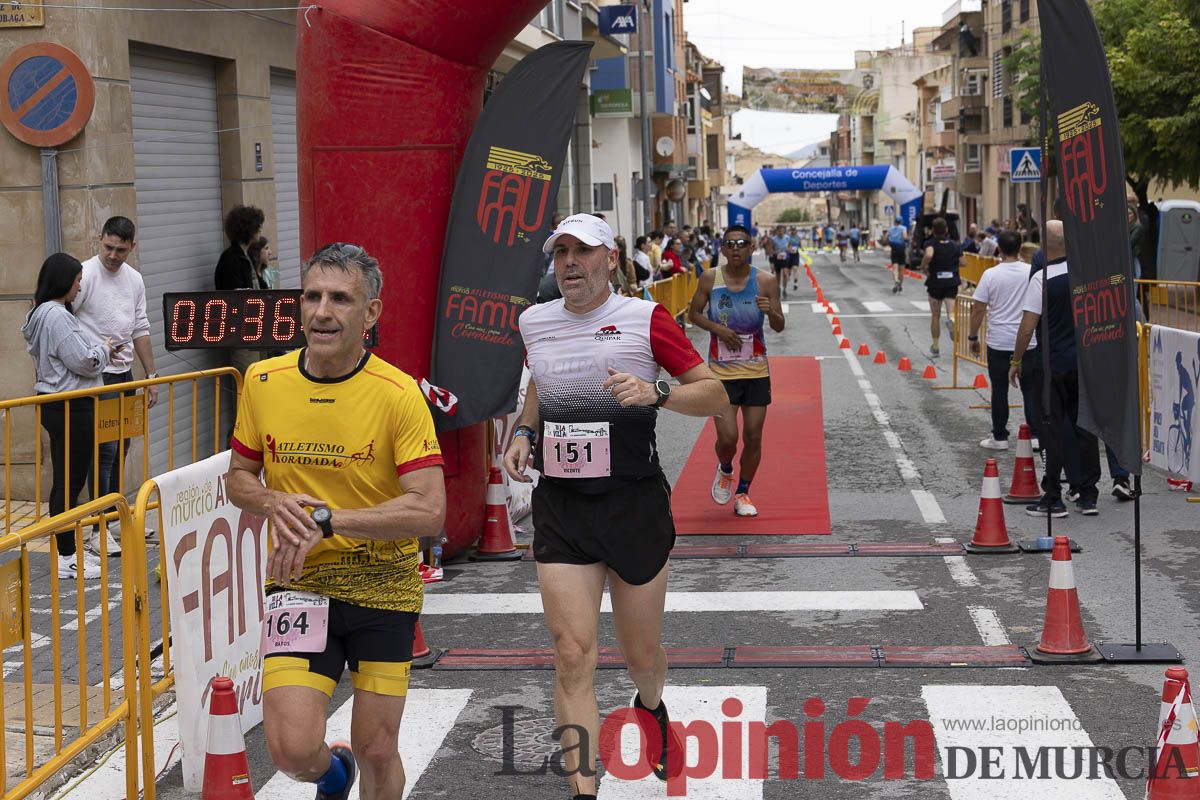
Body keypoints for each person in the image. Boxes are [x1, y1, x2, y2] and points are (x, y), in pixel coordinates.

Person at [503, 214, 725, 799]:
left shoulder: (643, 317)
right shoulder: (535, 322)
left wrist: (658, 391)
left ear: (611, 258)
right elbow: (538, 388)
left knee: (641, 654)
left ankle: (650, 707)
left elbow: (715, 393)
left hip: (632, 506)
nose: (570, 263)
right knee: (572, 654)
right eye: (561, 253)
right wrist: (525, 433)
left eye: (583, 251)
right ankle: (584, 790)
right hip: (563, 508)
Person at [226, 242, 446, 800]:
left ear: (370, 313)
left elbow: (429, 508)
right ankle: (332, 774)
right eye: (312, 296)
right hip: (298, 582)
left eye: (341, 299)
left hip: (383, 586)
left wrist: (329, 520)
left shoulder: (398, 395)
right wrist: (273, 503)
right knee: (292, 751)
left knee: (377, 748)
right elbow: (238, 478)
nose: (322, 311)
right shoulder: (263, 382)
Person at [22, 254, 124, 580]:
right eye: (78, 280)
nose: (80, 287)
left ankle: (68, 553)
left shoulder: (42, 313)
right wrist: (105, 350)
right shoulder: (56, 315)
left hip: (57, 404)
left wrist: (99, 350)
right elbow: (83, 361)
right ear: (65, 280)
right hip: (70, 405)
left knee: (66, 482)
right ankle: (66, 557)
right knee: (70, 483)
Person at [73, 215, 160, 556]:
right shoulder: (85, 275)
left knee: (122, 447)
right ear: (100, 240)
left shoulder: (134, 279)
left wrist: (150, 377)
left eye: (120, 250)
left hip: (124, 375)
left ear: (131, 248)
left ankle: (111, 519)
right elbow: (67, 319)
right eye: (108, 247)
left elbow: (140, 326)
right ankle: (98, 526)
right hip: (97, 375)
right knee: (104, 450)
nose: (113, 255)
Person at [687, 224, 785, 517]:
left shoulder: (766, 281)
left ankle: (743, 492)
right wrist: (717, 329)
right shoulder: (709, 278)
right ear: (723, 248)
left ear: (752, 247)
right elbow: (693, 314)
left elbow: (779, 326)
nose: (736, 249)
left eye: (742, 243)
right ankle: (726, 468)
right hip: (721, 373)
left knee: (753, 437)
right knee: (728, 438)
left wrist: (771, 312)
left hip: (756, 371)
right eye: (730, 244)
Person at [1009, 220, 1101, 517]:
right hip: (1085, 364)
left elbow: (1027, 327)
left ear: (1046, 247)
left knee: (1051, 429)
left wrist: (1016, 360)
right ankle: (1088, 495)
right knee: (1085, 428)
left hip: (1051, 366)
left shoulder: (1042, 279)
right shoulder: (1087, 275)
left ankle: (1053, 496)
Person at [968, 230, 1041, 450]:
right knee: (1030, 389)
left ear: (999, 248)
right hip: (1028, 340)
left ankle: (999, 436)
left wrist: (973, 336)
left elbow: (978, 308)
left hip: (998, 340)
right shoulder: (1032, 272)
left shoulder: (990, 275)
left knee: (999, 389)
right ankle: (1036, 435)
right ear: (1020, 247)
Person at [920, 217, 964, 358]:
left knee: (935, 315)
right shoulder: (955, 245)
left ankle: (936, 346)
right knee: (950, 312)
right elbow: (963, 262)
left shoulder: (930, 243)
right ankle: (951, 321)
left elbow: (929, 254)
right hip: (951, 281)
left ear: (933, 230)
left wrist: (923, 266)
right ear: (946, 230)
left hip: (935, 282)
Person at [214, 204, 265, 290]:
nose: (260, 229)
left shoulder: (249, 255)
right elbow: (235, 295)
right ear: (248, 229)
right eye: (257, 226)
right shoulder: (230, 259)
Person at [767, 226, 791, 300]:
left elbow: (790, 246)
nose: (781, 232)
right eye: (779, 231)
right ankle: (778, 289)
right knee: (778, 276)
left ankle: (784, 289)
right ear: (777, 231)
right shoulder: (773, 239)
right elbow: (769, 250)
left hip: (785, 258)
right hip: (777, 258)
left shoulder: (787, 238)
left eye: (782, 231)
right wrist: (775, 252)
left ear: (784, 231)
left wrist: (789, 250)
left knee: (785, 274)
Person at [886, 217, 908, 293]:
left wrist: (889, 241)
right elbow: (905, 237)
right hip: (901, 249)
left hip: (894, 249)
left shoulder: (890, 229)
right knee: (901, 270)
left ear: (895, 221)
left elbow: (886, 237)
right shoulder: (903, 228)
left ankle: (896, 280)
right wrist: (906, 240)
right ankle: (900, 286)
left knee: (895, 267)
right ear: (901, 222)